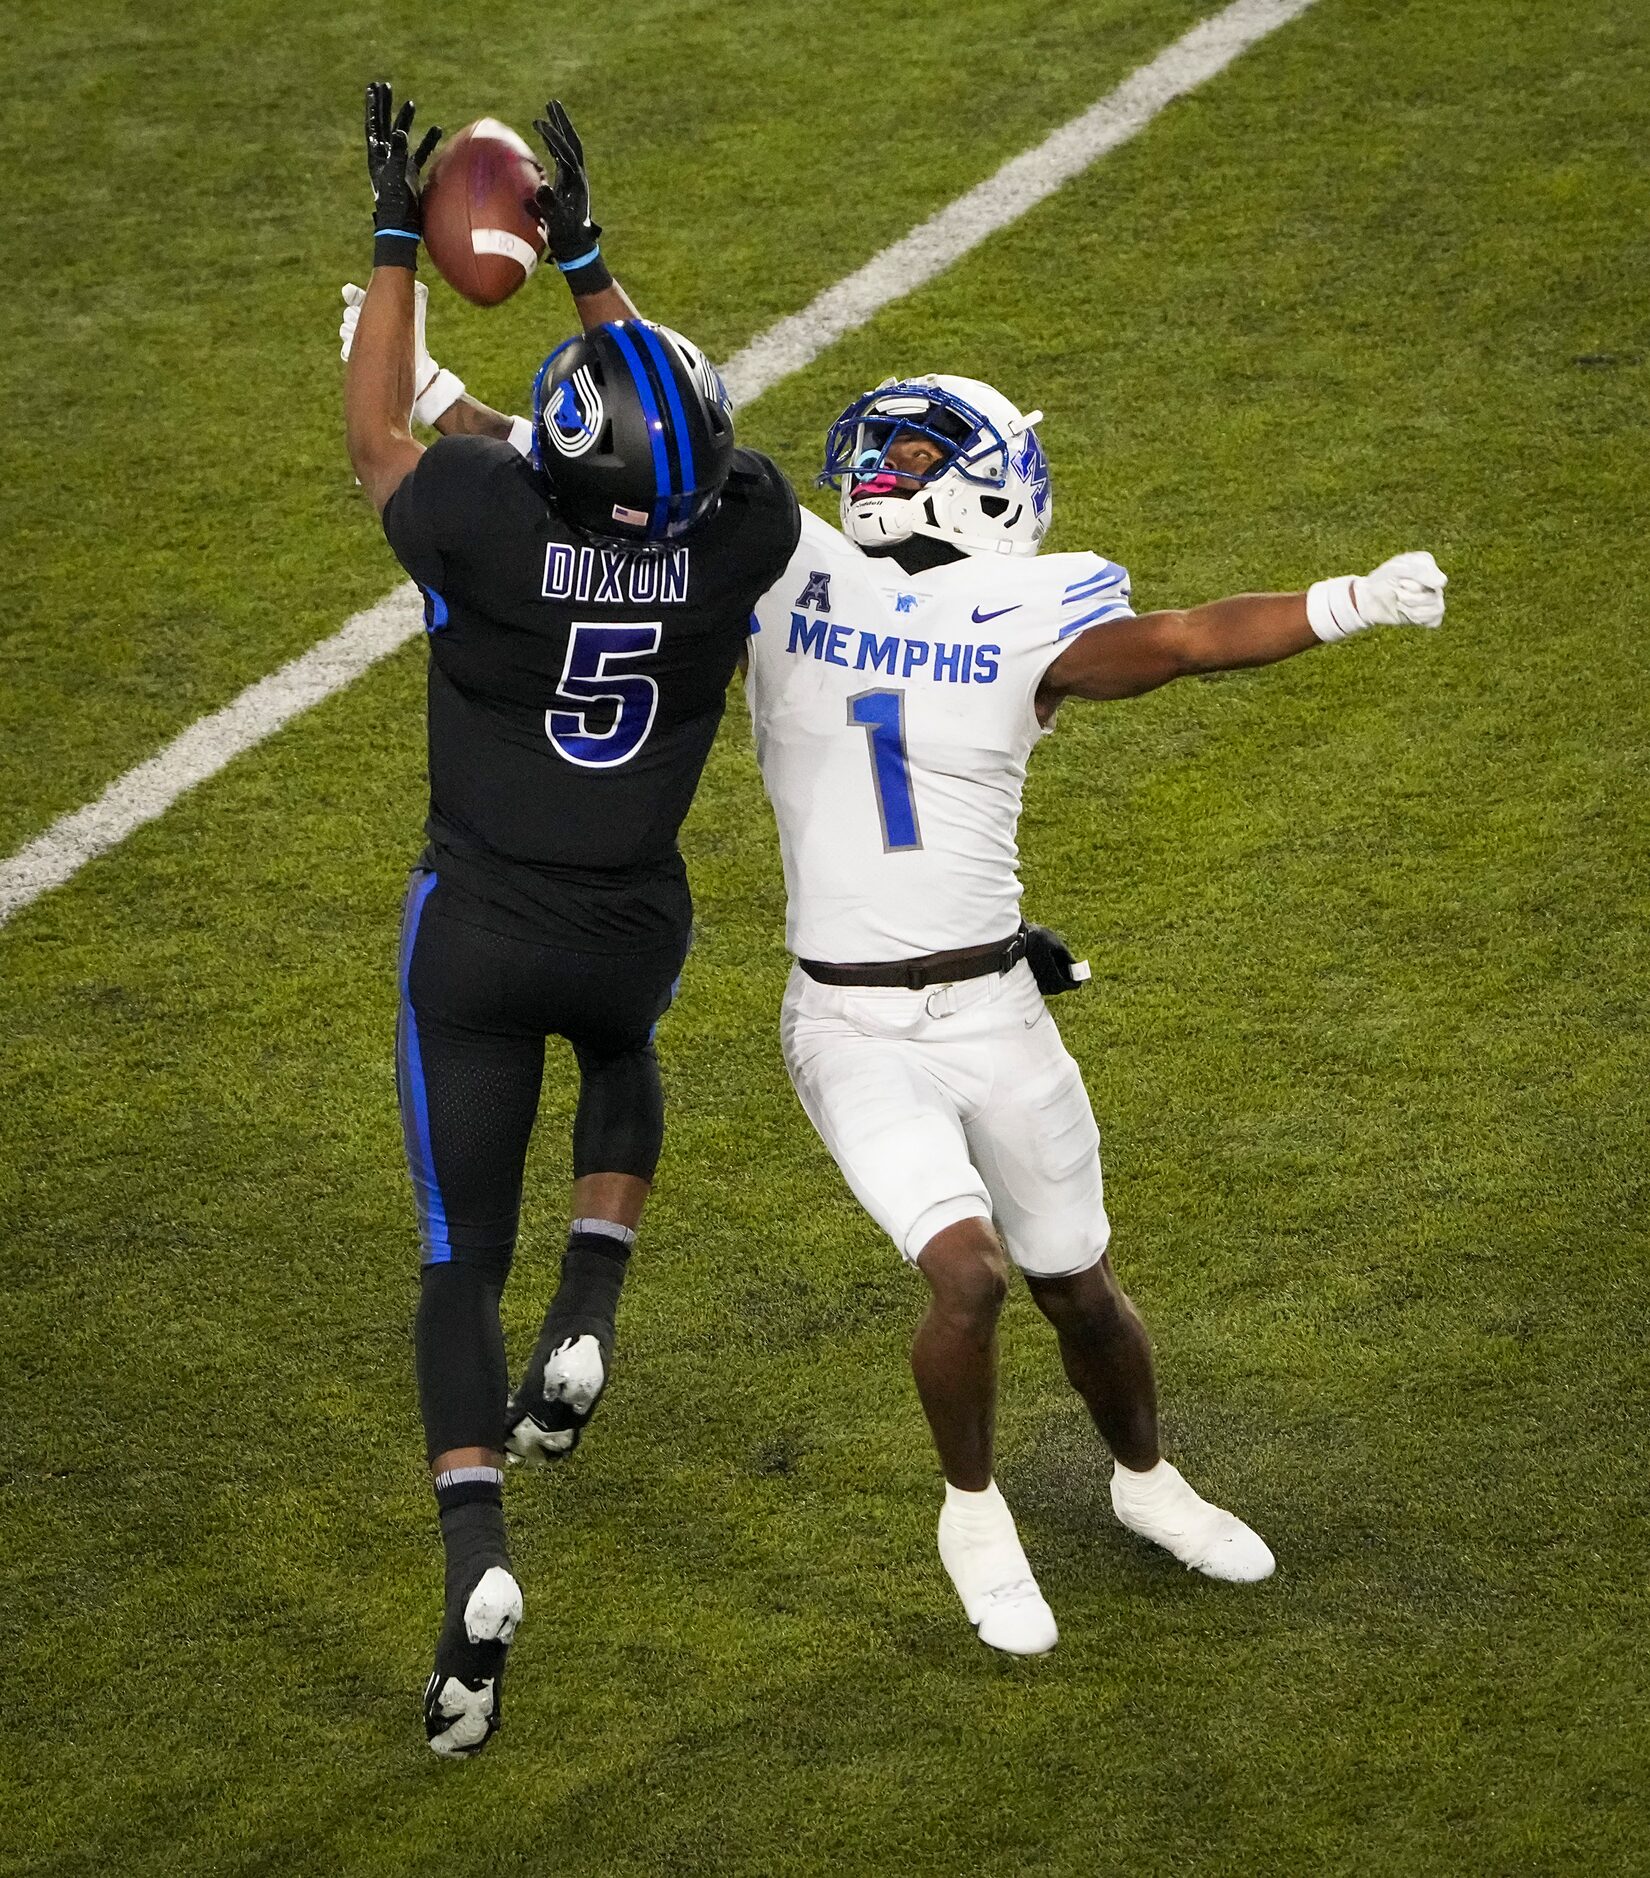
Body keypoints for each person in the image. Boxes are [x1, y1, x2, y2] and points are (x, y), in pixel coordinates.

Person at [349, 158, 1448, 1661]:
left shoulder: (802, 561)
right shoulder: (781, 563)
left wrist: (442, 368)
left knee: (1081, 1287)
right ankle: (972, 1508)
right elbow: (612, 470)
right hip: (852, 1022)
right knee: (969, 1272)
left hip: (993, 998)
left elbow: (604, 464)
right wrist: (1335, 602)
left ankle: (1142, 1477)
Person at [343, 83, 800, 1755]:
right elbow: (663, 459)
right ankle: (593, 1311)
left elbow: (392, 444)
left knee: (455, 1261)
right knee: (622, 1048)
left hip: (473, 934)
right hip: (628, 930)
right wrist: (590, 263)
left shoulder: (481, 527)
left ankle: (475, 1566)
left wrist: (401, 250)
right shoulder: (739, 532)